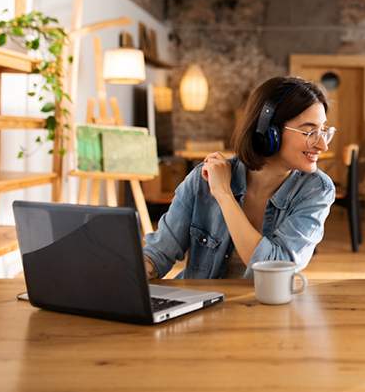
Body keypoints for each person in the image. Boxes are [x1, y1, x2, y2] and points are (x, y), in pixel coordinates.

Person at [143, 76, 337, 279]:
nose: (323, 145)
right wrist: (125, 274)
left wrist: (224, 195)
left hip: (265, 309)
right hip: (199, 304)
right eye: (309, 132)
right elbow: (158, 255)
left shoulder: (317, 190)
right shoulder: (203, 178)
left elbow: (275, 269)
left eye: (323, 131)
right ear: (269, 132)